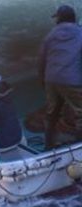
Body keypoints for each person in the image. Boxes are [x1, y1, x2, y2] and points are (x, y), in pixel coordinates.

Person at [39, 5, 82, 149]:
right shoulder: (79, 33)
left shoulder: (50, 35)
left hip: (51, 79)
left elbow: (42, 60)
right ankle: (79, 146)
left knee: (52, 112)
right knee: (80, 111)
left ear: (60, 18)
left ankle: (48, 145)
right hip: (71, 80)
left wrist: (44, 82)